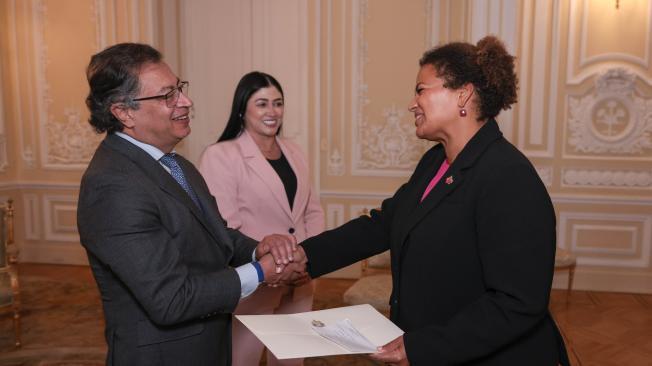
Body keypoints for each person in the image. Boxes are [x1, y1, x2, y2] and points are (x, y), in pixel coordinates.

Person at [292, 36, 570, 365]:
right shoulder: (435, 162)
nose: (412, 103)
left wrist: (422, 347)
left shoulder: (508, 177)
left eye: (421, 89)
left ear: (463, 93)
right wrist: (304, 257)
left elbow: (517, 302)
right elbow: (383, 224)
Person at [77, 43, 299, 366]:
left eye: (179, 88)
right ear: (123, 112)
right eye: (167, 96)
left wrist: (258, 248)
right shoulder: (112, 185)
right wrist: (259, 272)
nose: (186, 101)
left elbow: (216, 235)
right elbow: (170, 298)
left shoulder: (176, 164)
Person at [198, 71, 325, 366]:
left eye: (278, 103)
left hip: (301, 278)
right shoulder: (220, 155)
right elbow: (225, 227)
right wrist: (276, 265)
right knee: (244, 360)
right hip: (255, 282)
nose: (272, 112)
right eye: (262, 103)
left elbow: (312, 211)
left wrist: (308, 260)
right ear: (242, 109)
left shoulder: (294, 150)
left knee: (293, 360)